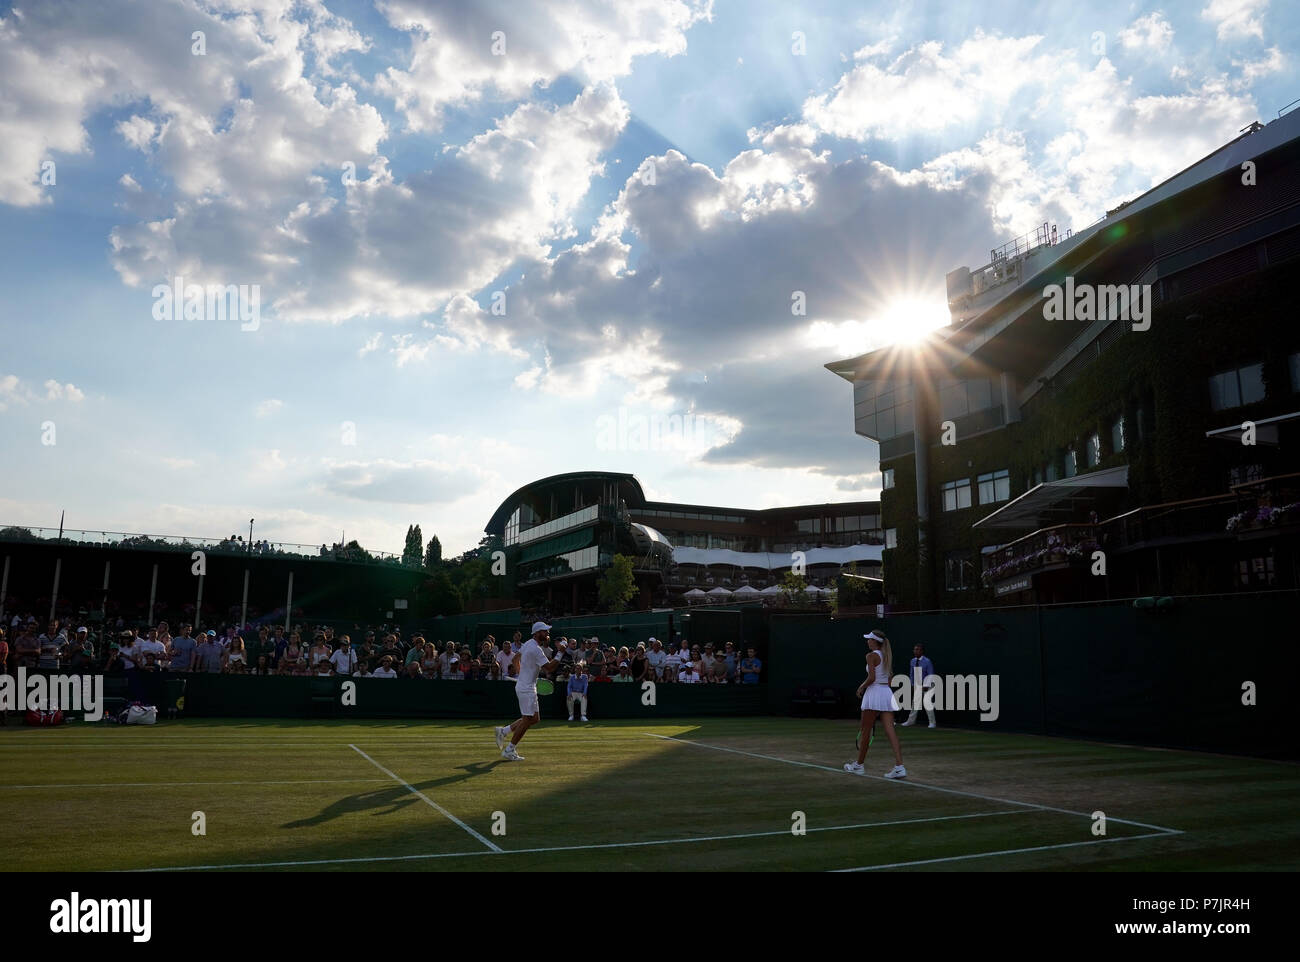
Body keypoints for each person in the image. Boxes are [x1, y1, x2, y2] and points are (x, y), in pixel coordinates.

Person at [844, 630, 906, 779]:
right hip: (886, 693)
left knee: (865, 731)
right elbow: (890, 679)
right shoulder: (887, 656)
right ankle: (900, 767)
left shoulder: (870, 656)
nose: (867, 641)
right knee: (890, 731)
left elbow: (871, 677)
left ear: (875, 641)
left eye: (869, 639)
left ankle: (858, 766)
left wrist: (861, 686)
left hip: (874, 693)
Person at [494, 622, 560, 761]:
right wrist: (561, 653)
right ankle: (509, 749)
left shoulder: (528, 643)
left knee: (534, 719)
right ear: (537, 633)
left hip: (527, 686)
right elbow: (549, 668)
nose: (547, 634)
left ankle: (503, 731)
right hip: (526, 689)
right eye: (545, 631)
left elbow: (515, 658)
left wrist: (521, 674)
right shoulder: (536, 649)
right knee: (527, 720)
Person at [901, 643, 937, 729]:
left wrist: (926, 685)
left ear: (922, 651)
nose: (915, 651)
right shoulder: (912, 661)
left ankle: (932, 723)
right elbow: (912, 674)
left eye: (918, 649)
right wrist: (913, 684)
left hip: (927, 685)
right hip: (918, 685)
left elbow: (931, 674)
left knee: (927, 703)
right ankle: (911, 721)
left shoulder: (927, 661)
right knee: (915, 703)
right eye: (915, 649)